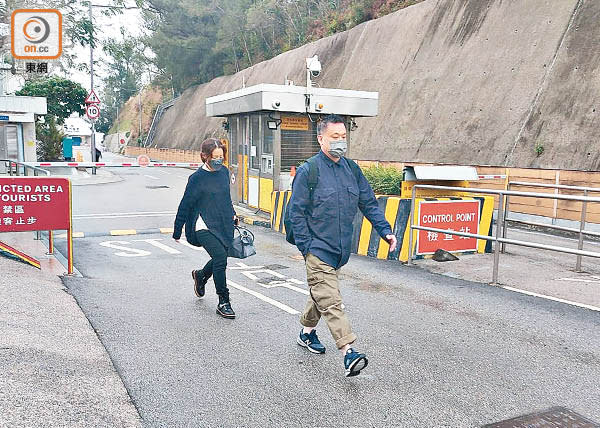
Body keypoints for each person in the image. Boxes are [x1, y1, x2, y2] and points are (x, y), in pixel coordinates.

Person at [288, 114, 397, 377]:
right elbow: (296, 213)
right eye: (334, 137)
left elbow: (369, 203)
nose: (340, 142)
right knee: (332, 300)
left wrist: (385, 231)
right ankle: (349, 352)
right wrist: (307, 248)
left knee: (321, 294)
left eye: (343, 137)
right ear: (320, 138)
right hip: (318, 249)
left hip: (339, 251)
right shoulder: (308, 172)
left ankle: (306, 332)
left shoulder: (352, 170)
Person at [173, 138, 238, 319]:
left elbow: (226, 198)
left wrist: (233, 213)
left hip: (222, 222)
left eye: (221, 157)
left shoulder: (224, 172)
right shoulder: (196, 179)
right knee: (220, 258)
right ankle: (223, 301)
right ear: (205, 156)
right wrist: (178, 230)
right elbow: (185, 204)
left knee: (221, 256)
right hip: (202, 224)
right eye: (215, 157)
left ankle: (201, 275)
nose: (219, 160)